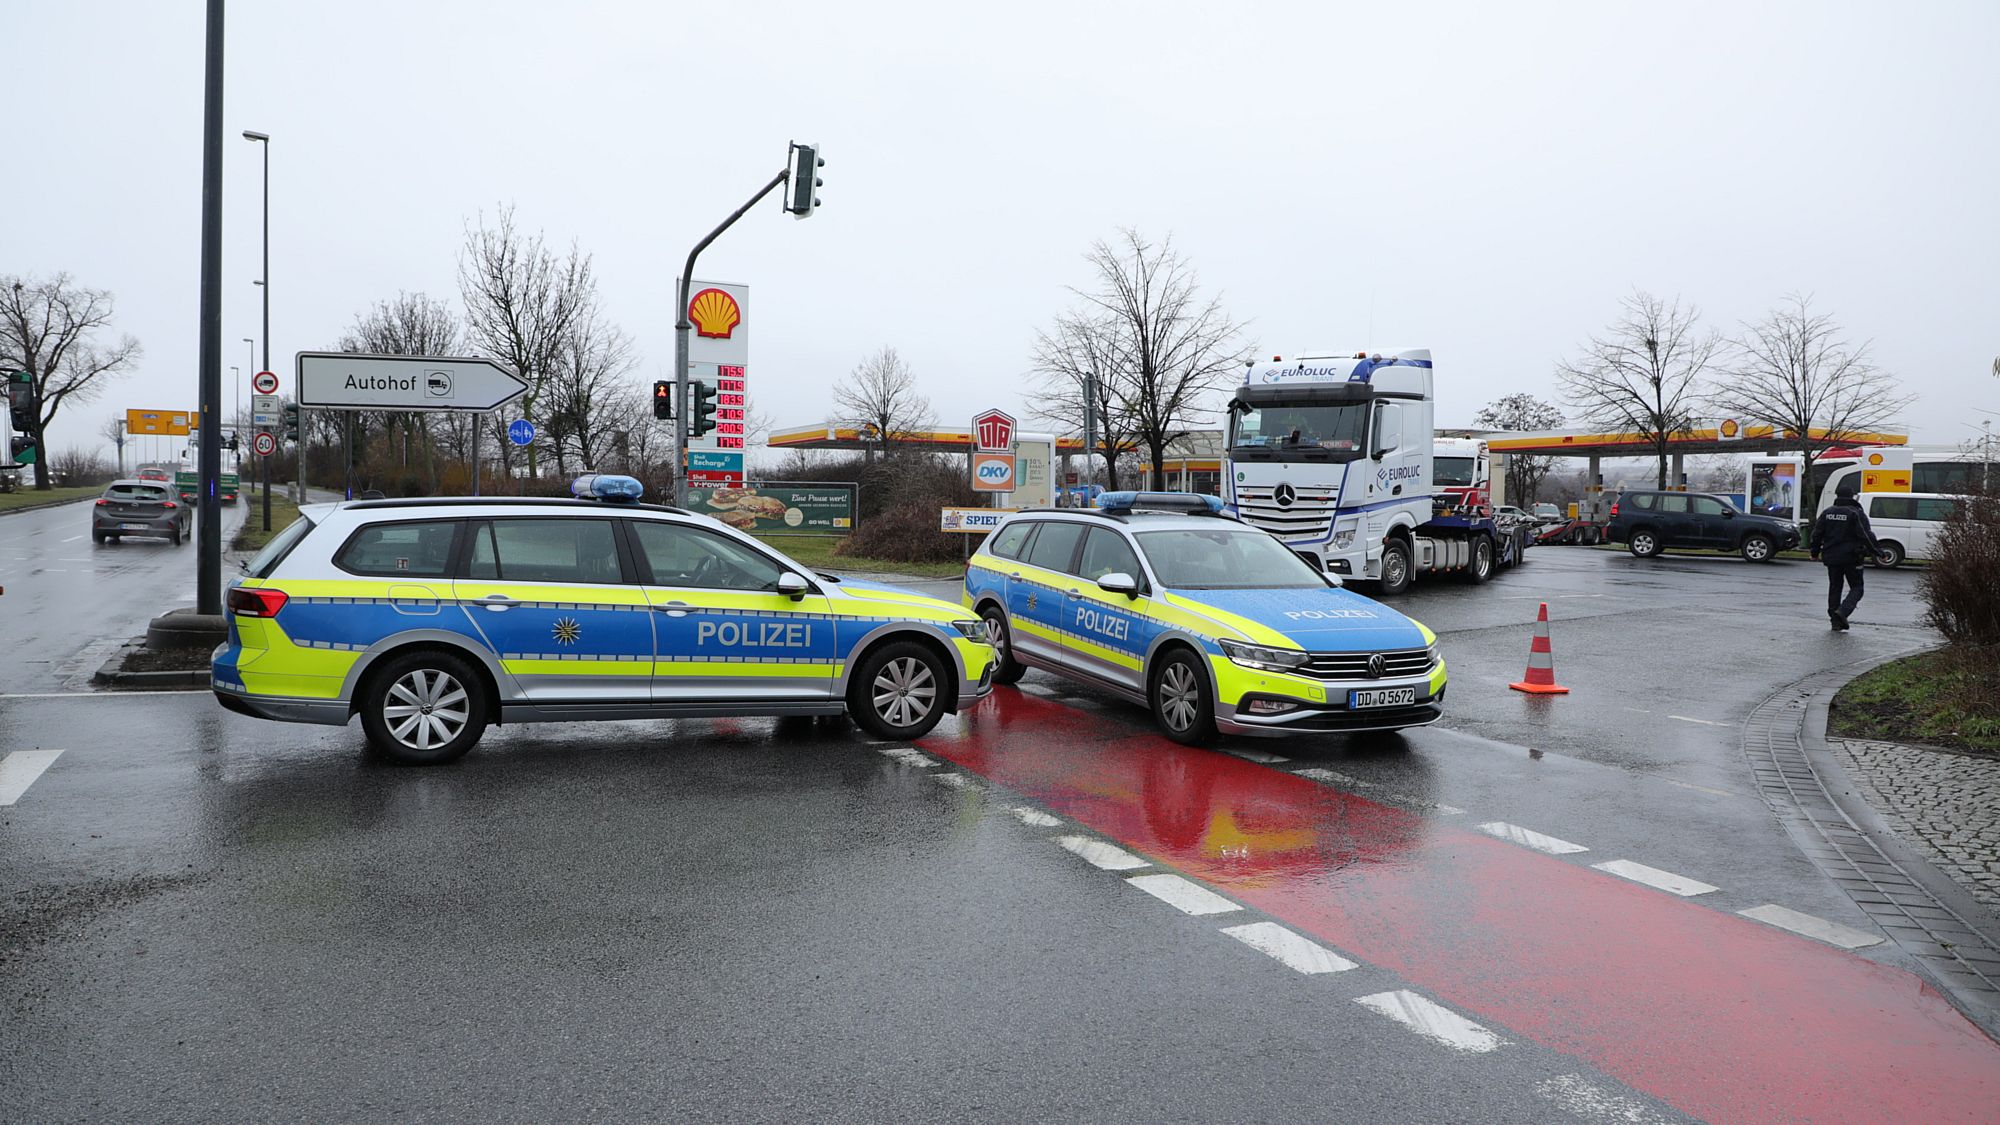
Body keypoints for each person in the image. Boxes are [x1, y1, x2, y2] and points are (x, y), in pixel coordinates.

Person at [1809, 482, 1880, 631]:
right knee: (1857, 587)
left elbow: (1817, 534)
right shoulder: (1856, 513)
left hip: (1831, 557)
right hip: (1852, 557)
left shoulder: (1827, 512)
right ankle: (1843, 612)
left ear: (1837, 496)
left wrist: (1814, 553)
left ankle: (1835, 621)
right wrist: (1878, 552)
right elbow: (1866, 534)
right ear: (1852, 496)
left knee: (1835, 587)